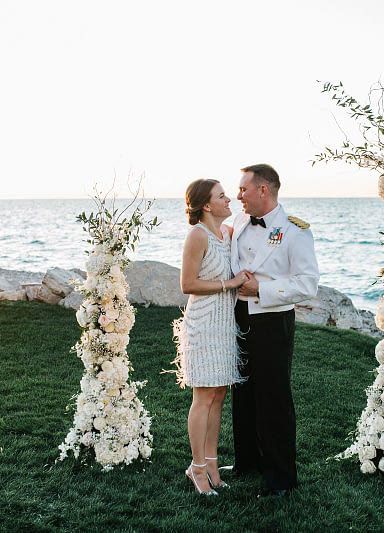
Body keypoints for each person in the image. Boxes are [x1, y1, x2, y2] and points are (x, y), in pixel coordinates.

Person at [230, 163, 319, 497]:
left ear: (263, 190)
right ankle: (247, 462)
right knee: (243, 391)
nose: (238, 195)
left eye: (243, 189)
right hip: (238, 316)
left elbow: (307, 284)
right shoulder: (238, 222)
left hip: (272, 320)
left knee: (274, 397)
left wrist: (261, 292)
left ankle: (281, 478)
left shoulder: (295, 231)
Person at [172, 178, 249, 497]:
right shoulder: (197, 236)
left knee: (219, 394)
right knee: (203, 397)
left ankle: (213, 464)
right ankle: (197, 468)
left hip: (224, 324)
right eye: (222, 196)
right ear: (206, 205)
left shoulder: (228, 233)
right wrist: (228, 285)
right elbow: (187, 284)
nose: (229, 198)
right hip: (203, 323)